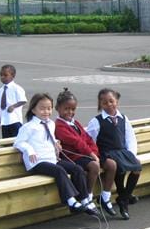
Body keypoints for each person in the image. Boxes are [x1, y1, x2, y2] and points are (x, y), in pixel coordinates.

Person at [13, 93, 99, 217]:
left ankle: (84, 199)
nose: (46, 112)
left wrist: (56, 143)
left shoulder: (50, 124)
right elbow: (18, 142)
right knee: (59, 171)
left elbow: (51, 138)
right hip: (37, 162)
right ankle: (70, 201)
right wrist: (29, 150)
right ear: (33, 109)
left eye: (48, 108)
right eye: (42, 108)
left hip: (52, 159)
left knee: (77, 169)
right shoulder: (28, 127)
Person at [54, 88, 116, 210]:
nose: (70, 112)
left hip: (84, 155)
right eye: (66, 109)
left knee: (109, 164)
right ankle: (87, 195)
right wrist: (92, 155)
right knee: (94, 166)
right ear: (58, 108)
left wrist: (95, 153)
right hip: (73, 157)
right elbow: (77, 143)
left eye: (72, 109)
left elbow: (87, 139)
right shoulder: (59, 125)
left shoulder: (75, 123)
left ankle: (102, 196)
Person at [86, 88, 141, 220]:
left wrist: (131, 154)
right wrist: (94, 155)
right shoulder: (97, 121)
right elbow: (90, 140)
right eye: (105, 102)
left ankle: (124, 197)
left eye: (111, 101)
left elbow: (130, 138)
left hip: (122, 151)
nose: (109, 104)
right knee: (116, 166)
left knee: (137, 166)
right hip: (106, 153)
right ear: (100, 105)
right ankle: (124, 203)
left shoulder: (123, 119)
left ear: (117, 102)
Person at [0, 64, 27, 138]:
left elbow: (23, 100)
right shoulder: (1, 90)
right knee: (6, 141)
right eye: (1, 75)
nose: (2, 77)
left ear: (13, 76)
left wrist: (13, 106)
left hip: (14, 120)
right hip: (4, 121)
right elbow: (0, 106)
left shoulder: (17, 88)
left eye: (5, 75)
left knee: (16, 140)